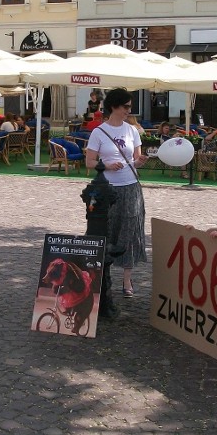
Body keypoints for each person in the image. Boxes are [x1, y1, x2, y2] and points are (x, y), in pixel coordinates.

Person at [85, 88, 148, 299]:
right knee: (108, 230)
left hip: (131, 187)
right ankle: (104, 277)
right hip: (108, 190)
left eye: (130, 107)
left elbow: (136, 158)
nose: (129, 111)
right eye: (126, 107)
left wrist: (140, 161)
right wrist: (106, 165)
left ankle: (127, 279)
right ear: (114, 107)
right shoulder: (99, 132)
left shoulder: (132, 130)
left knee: (130, 231)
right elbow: (90, 162)